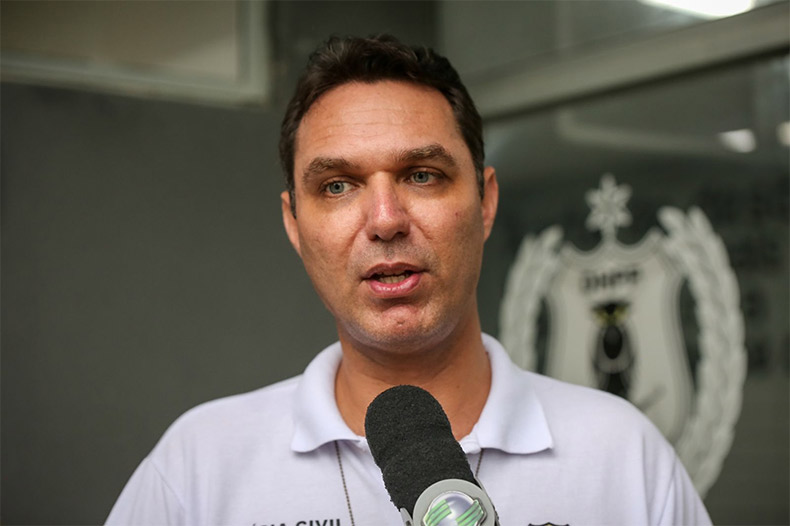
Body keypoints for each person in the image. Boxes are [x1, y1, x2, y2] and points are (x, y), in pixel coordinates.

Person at [106, 34, 711, 526]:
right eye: (337, 186)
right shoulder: (199, 467)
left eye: (422, 175)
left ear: (485, 202)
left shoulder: (622, 457)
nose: (385, 220)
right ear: (294, 224)